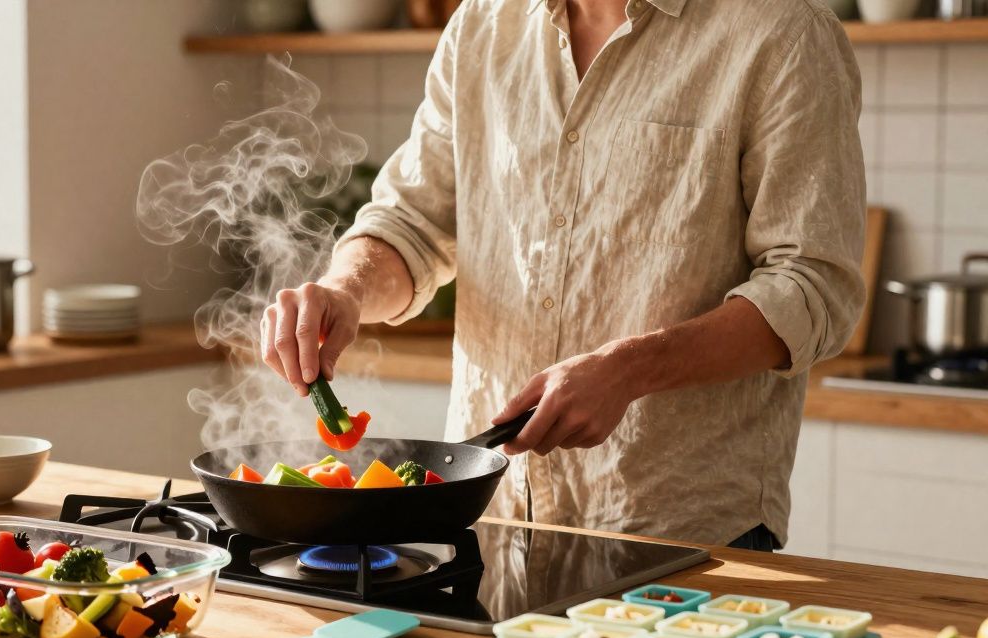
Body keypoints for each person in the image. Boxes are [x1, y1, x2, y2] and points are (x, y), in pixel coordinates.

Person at [259, 0, 866, 551]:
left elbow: (812, 287)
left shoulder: (783, 32)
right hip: (489, 520)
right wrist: (347, 288)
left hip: (678, 532)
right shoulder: (482, 23)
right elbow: (412, 222)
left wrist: (628, 369)